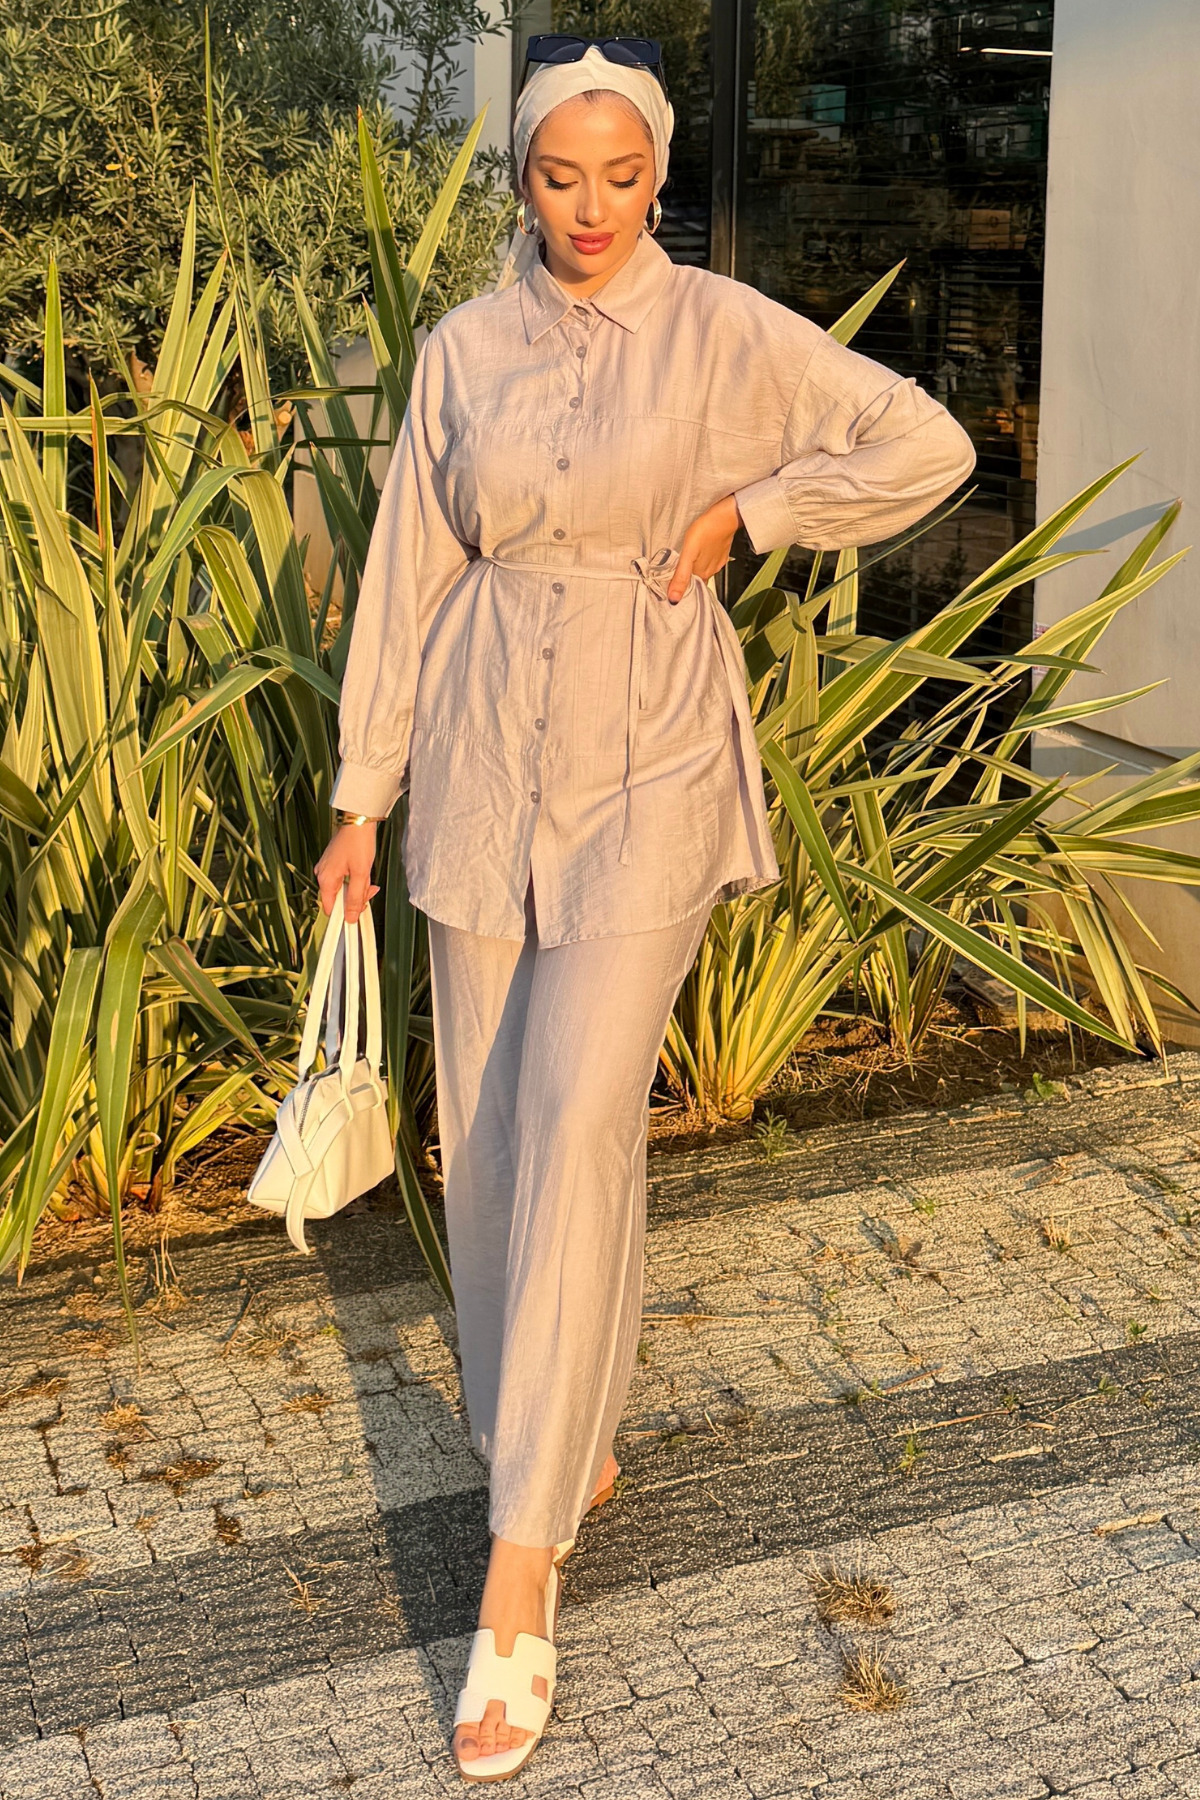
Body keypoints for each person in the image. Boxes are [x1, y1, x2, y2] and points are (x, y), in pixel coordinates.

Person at [315, 38, 975, 1784]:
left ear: (659, 174)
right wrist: (360, 799)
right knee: (487, 1132)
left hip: (651, 757)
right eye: (559, 176)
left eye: (620, 176)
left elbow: (924, 443)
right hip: (478, 748)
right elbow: (406, 569)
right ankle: (563, 1439)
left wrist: (757, 510)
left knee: (583, 1114)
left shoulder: (726, 332)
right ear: (526, 177)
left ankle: (518, 1563)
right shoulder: (465, 349)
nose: (591, 207)